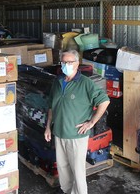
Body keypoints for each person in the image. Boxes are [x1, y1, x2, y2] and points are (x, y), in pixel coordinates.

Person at [44, 49, 110, 194]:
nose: (66, 65)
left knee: (78, 171)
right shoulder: (58, 81)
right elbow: (51, 106)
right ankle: (67, 191)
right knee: (62, 167)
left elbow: (104, 101)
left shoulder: (85, 83)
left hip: (76, 135)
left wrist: (91, 122)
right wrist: (48, 127)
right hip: (59, 132)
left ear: (77, 63)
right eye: (63, 62)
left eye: (69, 62)